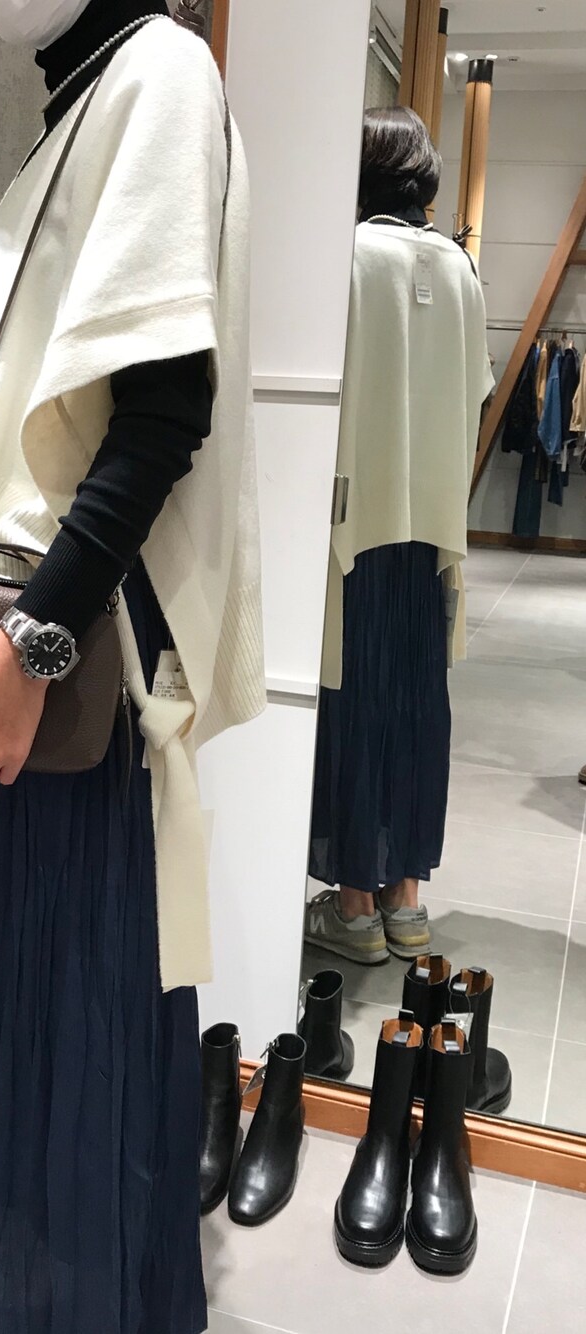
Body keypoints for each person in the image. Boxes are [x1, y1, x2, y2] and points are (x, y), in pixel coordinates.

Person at [0, 3, 264, 1332]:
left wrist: (27, 651)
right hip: (3, 664)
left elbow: (161, 414)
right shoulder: (80, 101)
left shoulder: (160, 68)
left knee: (50, 1039)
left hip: (44, 677)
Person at [304, 107, 494, 967]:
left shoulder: (345, 257)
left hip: (354, 521)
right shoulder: (459, 268)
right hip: (433, 529)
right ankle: (407, 902)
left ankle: (352, 908)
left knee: (353, 703)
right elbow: (475, 389)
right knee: (418, 704)